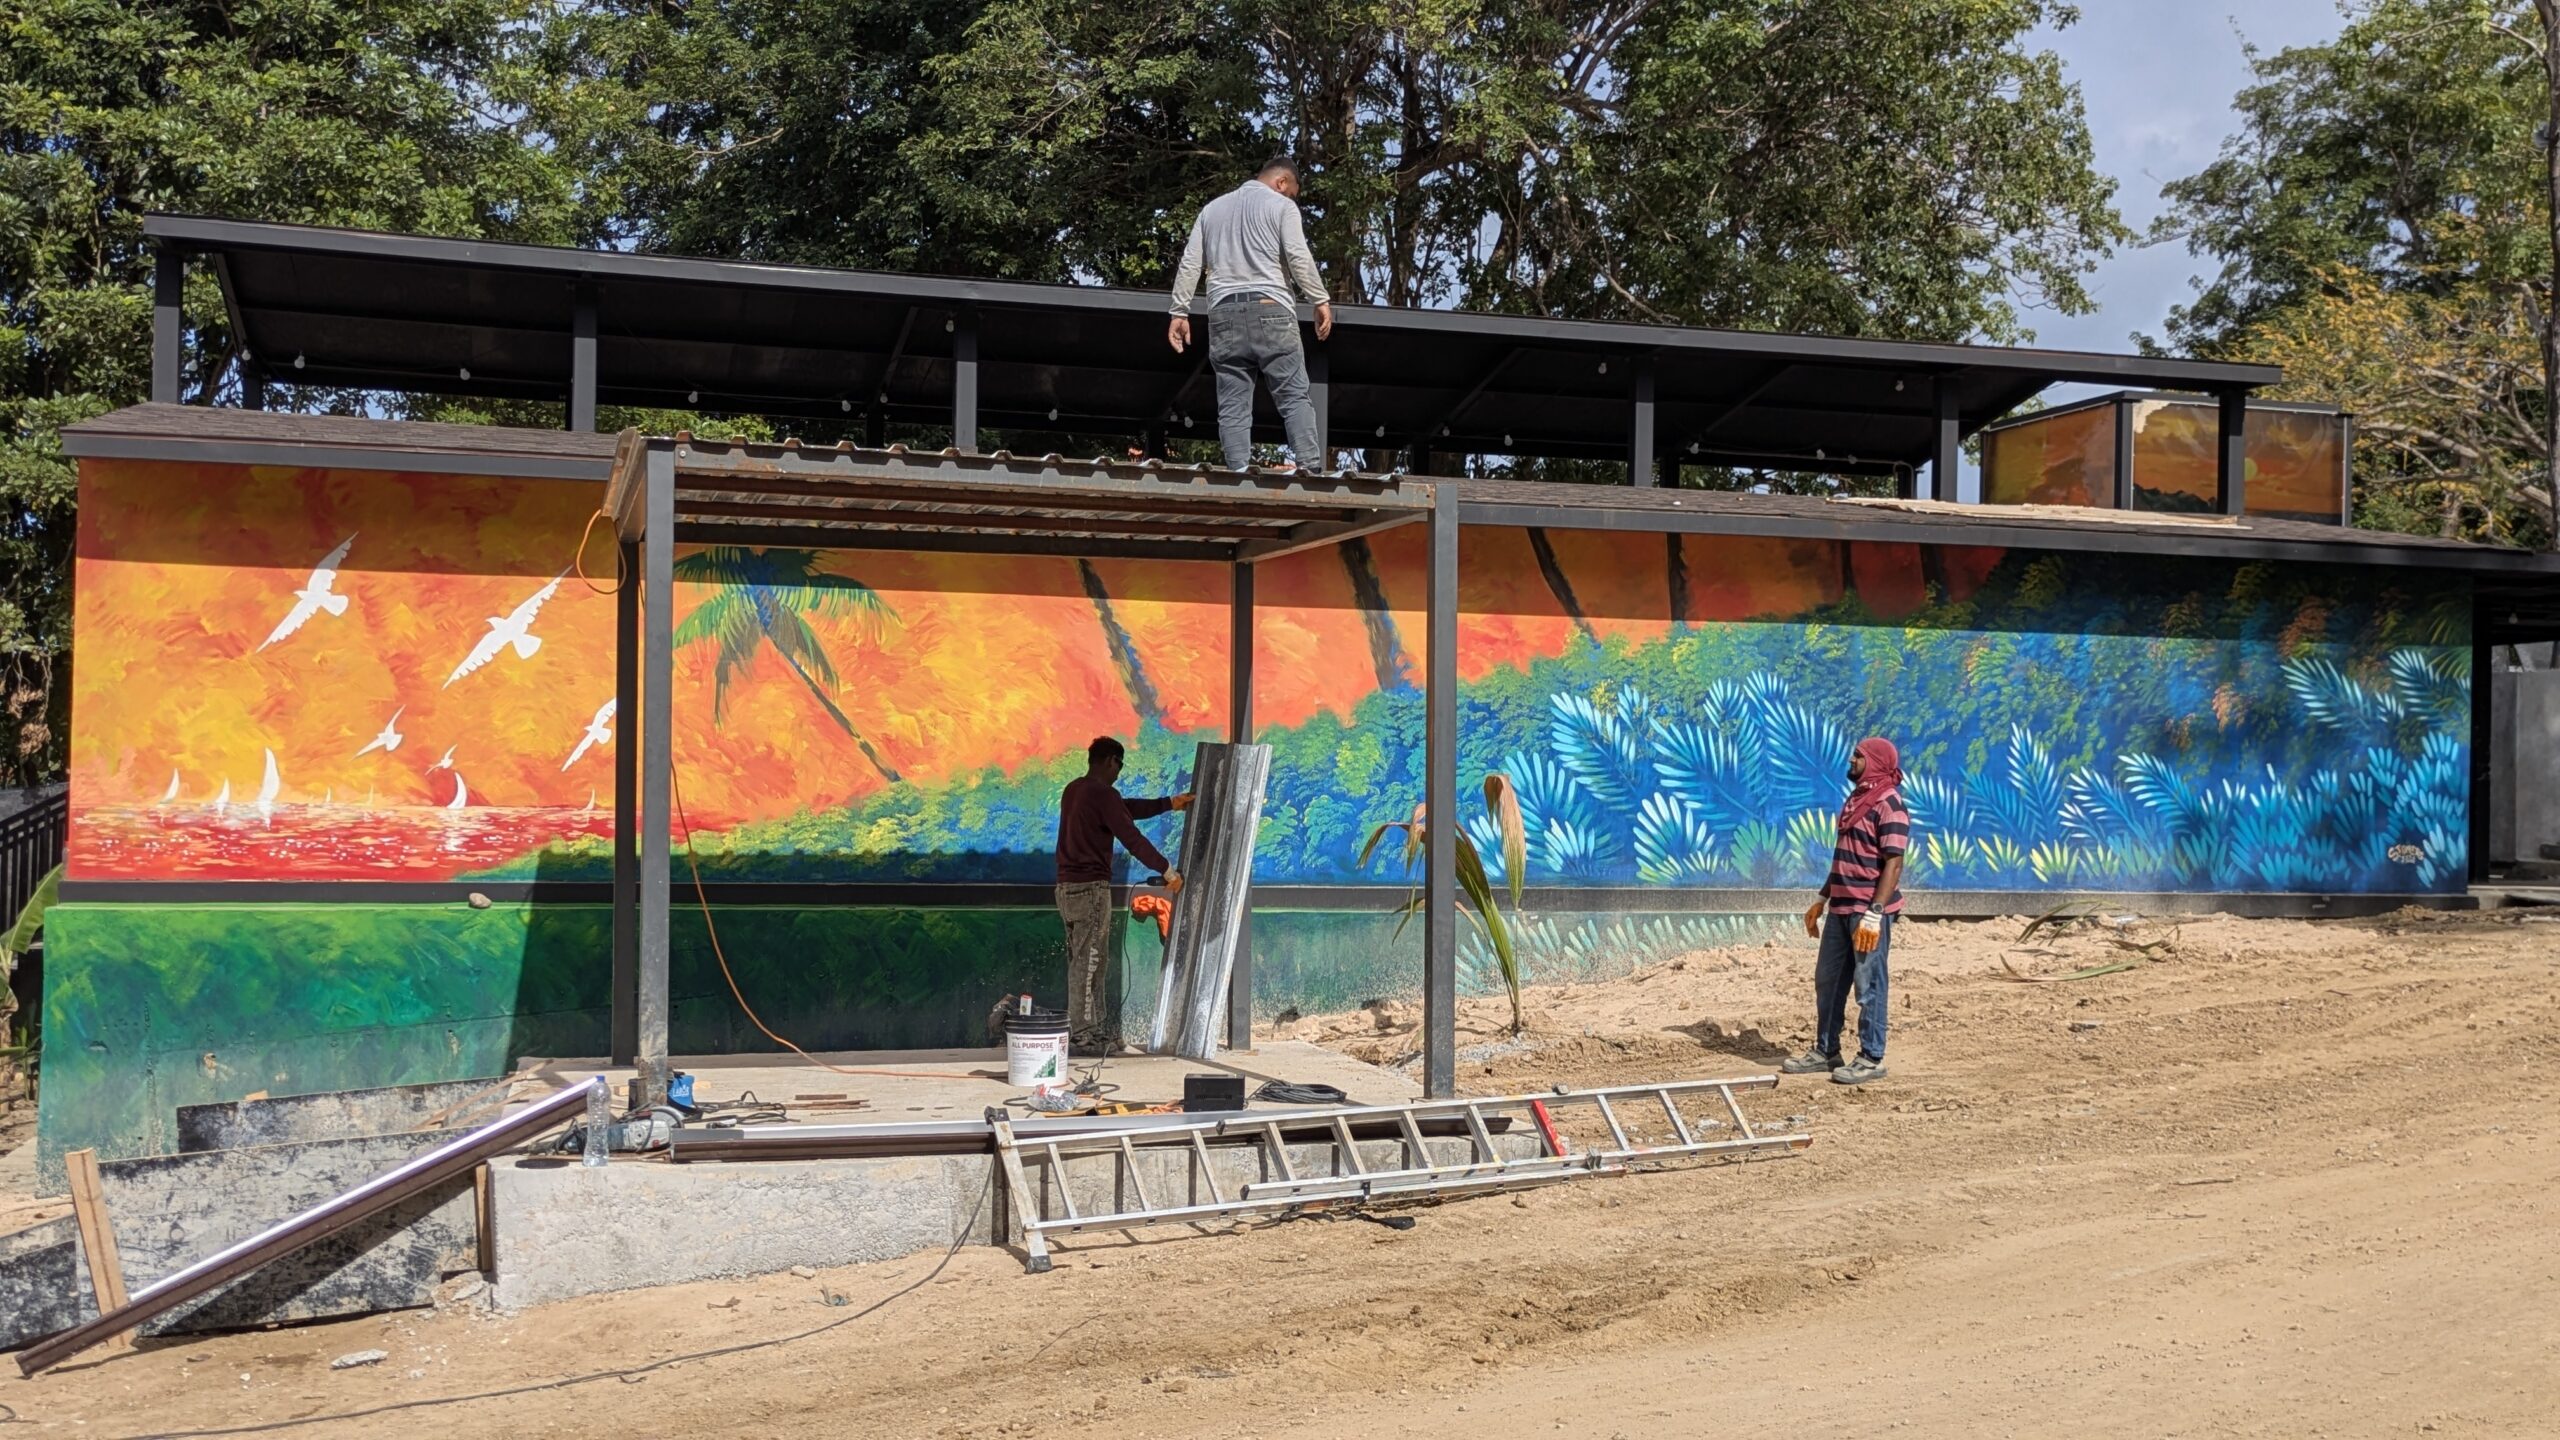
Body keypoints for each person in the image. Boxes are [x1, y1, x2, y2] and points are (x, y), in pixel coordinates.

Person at [1166, 156, 1334, 472]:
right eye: (1291, 192)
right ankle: (1310, 469)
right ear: (1282, 182)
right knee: (1294, 396)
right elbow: (1298, 256)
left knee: (1232, 405)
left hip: (1223, 313)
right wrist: (1320, 299)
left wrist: (1179, 311)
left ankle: (1238, 473)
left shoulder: (1210, 211)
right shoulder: (1282, 207)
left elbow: (1190, 263)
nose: (1290, 198)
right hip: (1272, 308)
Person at [1783, 736, 1909, 1085]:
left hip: (1868, 910)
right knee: (1828, 980)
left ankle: (1871, 1056)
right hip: (1841, 906)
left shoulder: (1889, 803)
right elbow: (1845, 858)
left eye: (1859, 756)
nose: (1851, 760)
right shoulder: (1857, 800)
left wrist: (1876, 912)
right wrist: (1822, 899)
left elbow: (1894, 864)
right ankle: (1826, 1051)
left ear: (1877, 762)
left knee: (1869, 983)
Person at [1055, 737, 1191, 1054]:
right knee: (1090, 962)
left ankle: (1090, 1029)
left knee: (1083, 960)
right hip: (1089, 890)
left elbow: (1125, 809)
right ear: (1111, 761)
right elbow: (1131, 836)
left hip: (1066, 889)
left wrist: (1169, 803)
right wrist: (1167, 871)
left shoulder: (1075, 790)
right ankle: (1085, 1033)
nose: (1119, 772)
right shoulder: (1103, 794)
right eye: (1120, 765)